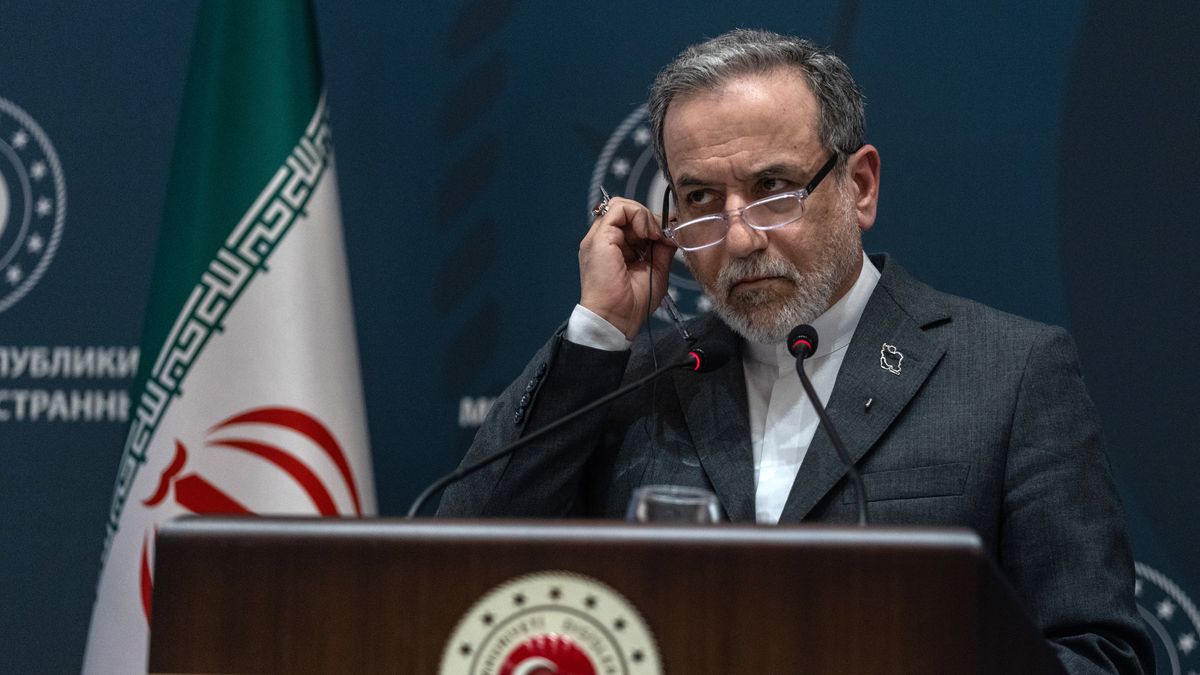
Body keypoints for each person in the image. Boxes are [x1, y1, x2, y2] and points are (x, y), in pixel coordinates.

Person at [437, 29, 1152, 674]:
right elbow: (455, 575)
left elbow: (1101, 654)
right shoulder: (632, 383)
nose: (741, 237)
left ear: (860, 186)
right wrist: (599, 330)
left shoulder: (1010, 374)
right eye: (701, 198)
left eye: (773, 188)